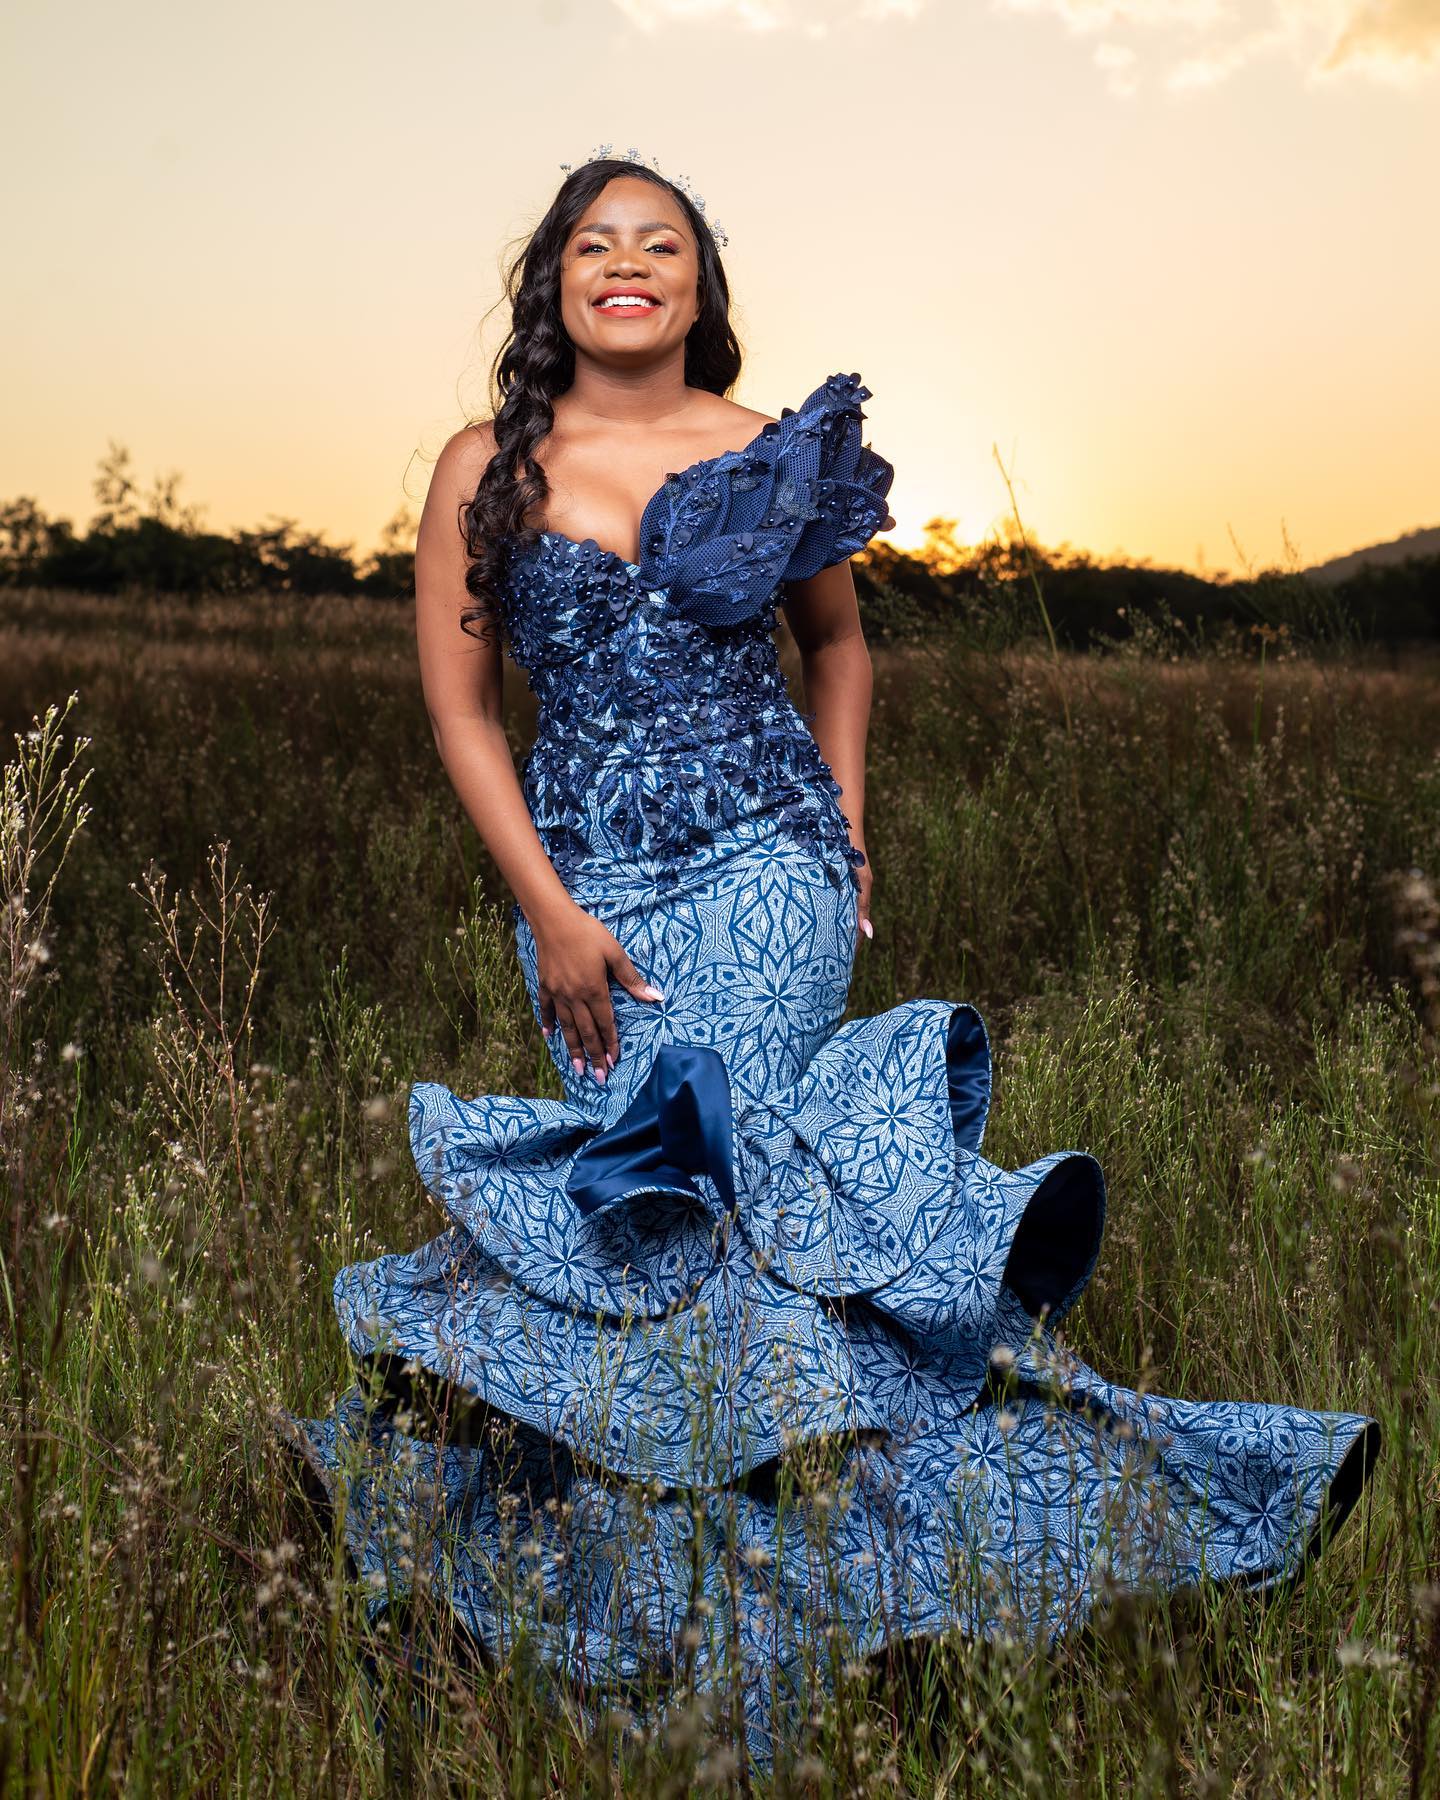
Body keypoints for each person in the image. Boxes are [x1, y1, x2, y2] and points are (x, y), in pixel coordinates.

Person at [276, 150, 1379, 1768]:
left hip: (769, 872)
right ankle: (657, 1600)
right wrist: (553, 912)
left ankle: (820, 1592)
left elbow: (839, 643)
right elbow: (462, 710)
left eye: (663, 243)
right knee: (640, 1222)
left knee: (747, 1202)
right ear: (556, 282)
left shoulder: (762, 449)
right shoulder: (479, 469)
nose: (631, 264)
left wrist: (844, 831)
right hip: (586, 884)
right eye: (599, 243)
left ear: (702, 285)